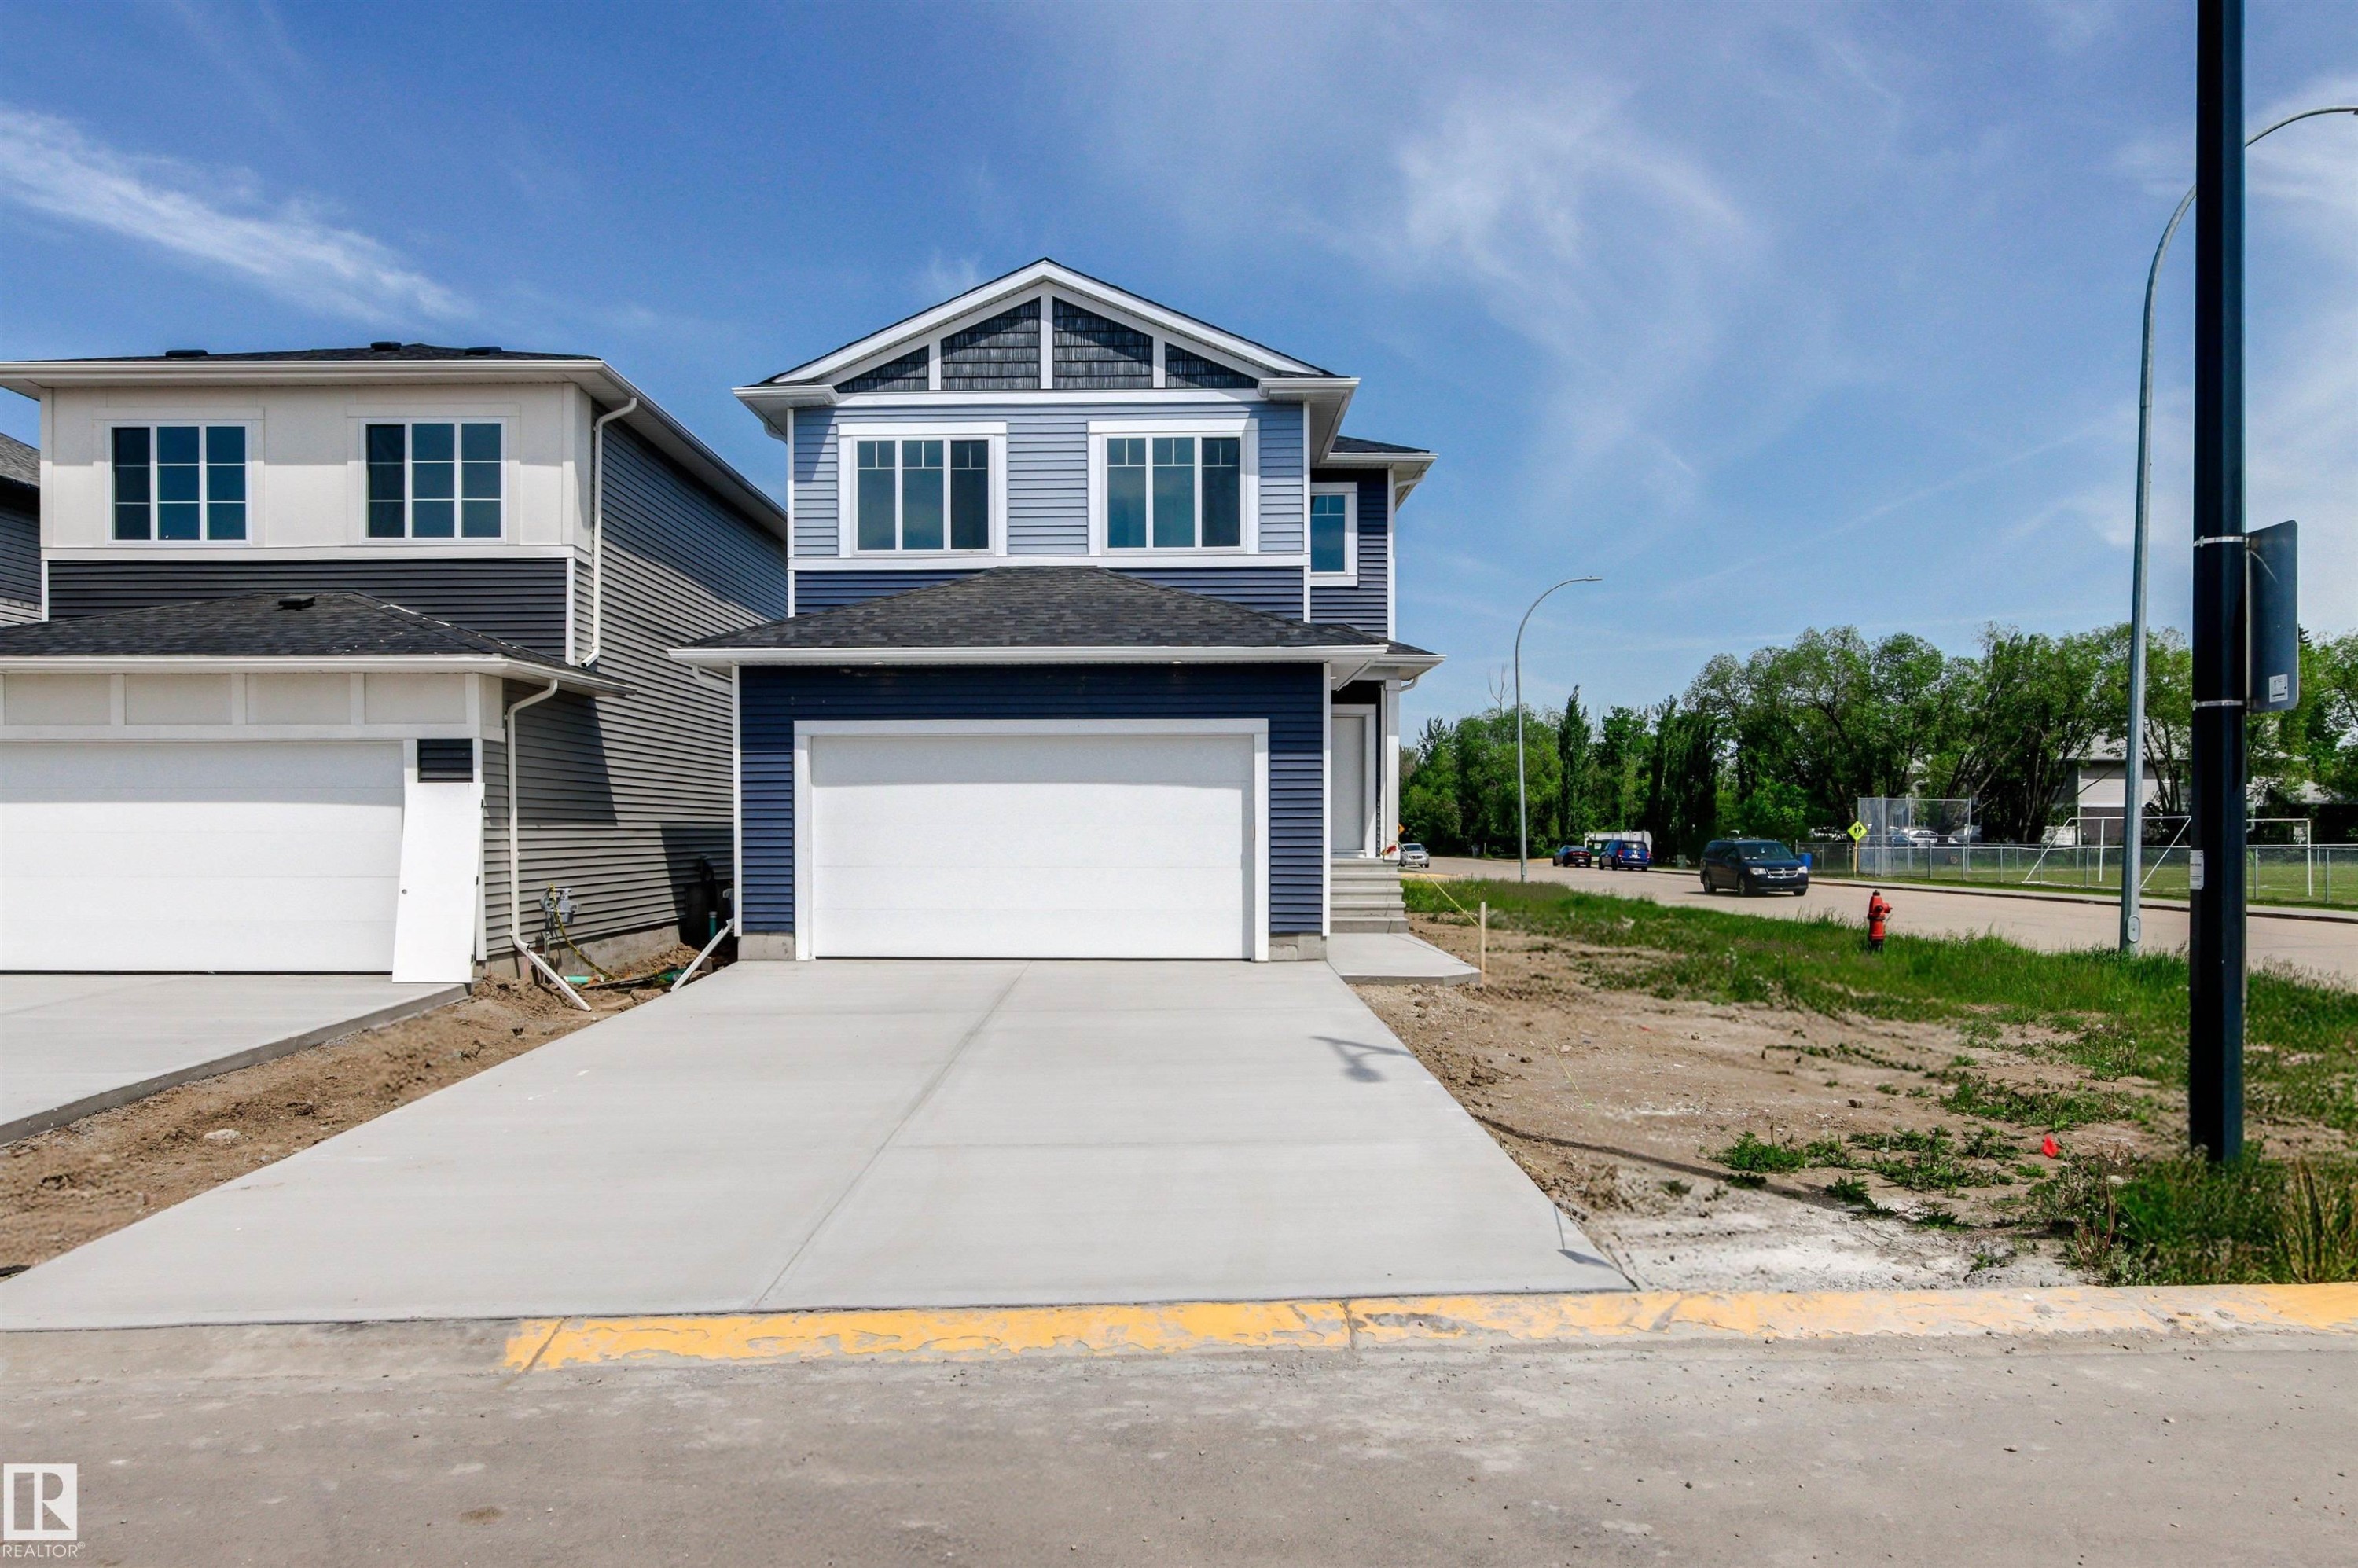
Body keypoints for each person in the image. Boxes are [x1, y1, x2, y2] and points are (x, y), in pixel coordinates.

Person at [1866, 889, 1892, 953]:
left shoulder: (1877, 904)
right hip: (1878, 929)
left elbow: (1879, 908)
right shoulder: (1878, 904)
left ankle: (1872, 951)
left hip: (1874, 928)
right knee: (1878, 943)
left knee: (1874, 943)